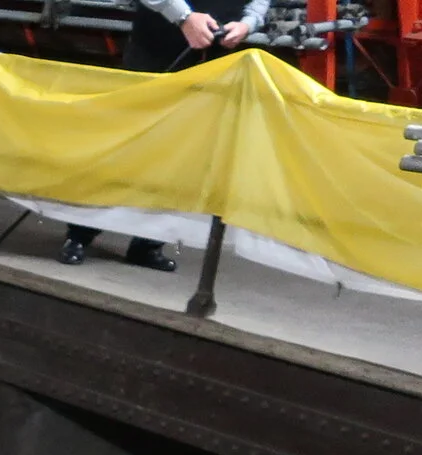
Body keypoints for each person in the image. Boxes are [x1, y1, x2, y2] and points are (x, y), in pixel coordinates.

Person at [59, 0, 270, 272]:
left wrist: (248, 22)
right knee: (129, 145)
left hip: (216, 53)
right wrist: (183, 17)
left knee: (185, 151)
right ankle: (80, 234)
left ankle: (149, 243)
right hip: (157, 43)